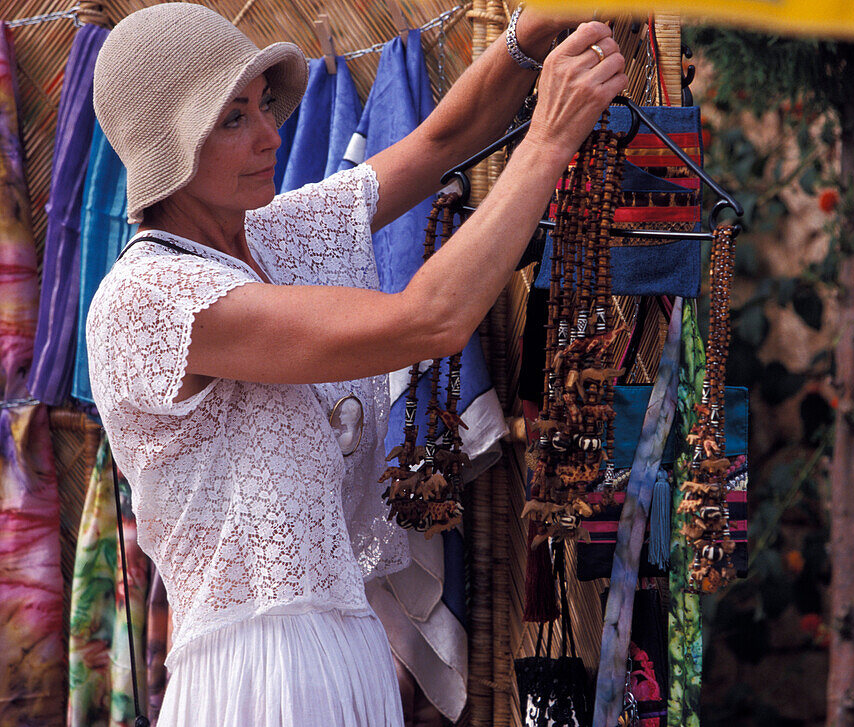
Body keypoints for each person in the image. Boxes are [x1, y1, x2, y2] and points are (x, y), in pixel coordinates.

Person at [85, 3, 626, 724]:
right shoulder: (152, 298)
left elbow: (445, 139)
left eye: (261, 105)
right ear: (171, 147)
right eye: (234, 119)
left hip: (350, 654)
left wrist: (526, 33)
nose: (273, 136)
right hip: (257, 680)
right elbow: (429, 318)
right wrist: (551, 136)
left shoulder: (272, 236)